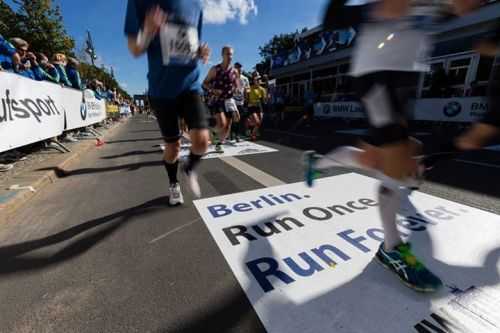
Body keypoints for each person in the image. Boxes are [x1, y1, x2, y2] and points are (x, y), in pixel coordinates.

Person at [306, 0, 469, 293]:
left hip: (404, 82)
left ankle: (317, 163)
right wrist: (378, 11)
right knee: (395, 164)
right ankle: (391, 246)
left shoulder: (434, 6)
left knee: (379, 161)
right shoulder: (377, 8)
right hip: (375, 79)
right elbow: (332, 18)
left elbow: (454, 9)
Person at [125, 0, 210, 205]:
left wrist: (200, 52)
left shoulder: (196, 4)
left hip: (190, 85)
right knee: (173, 148)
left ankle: (189, 167)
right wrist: (147, 30)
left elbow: (192, 43)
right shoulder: (139, 2)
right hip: (162, 90)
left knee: (202, 141)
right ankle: (174, 183)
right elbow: (135, 49)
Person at [203, 46, 239, 152]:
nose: (230, 56)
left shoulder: (234, 71)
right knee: (222, 124)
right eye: (227, 54)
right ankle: (212, 131)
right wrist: (213, 90)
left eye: (231, 54)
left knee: (227, 127)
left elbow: (236, 84)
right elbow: (204, 83)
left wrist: (236, 89)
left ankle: (218, 143)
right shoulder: (215, 69)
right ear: (222, 55)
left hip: (228, 100)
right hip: (216, 100)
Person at [247, 72, 267, 141]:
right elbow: (246, 98)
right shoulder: (250, 88)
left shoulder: (262, 89)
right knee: (257, 122)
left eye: (259, 80)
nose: (258, 81)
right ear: (254, 81)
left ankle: (250, 126)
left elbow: (264, 101)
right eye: (256, 80)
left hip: (259, 106)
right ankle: (253, 134)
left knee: (259, 122)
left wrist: (266, 98)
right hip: (252, 106)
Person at [233, 62, 250, 141]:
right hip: (232, 101)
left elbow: (247, 90)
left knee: (240, 118)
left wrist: (247, 100)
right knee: (234, 118)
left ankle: (237, 133)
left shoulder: (245, 78)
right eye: (237, 67)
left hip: (241, 101)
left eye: (240, 67)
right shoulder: (231, 77)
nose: (239, 69)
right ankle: (235, 134)